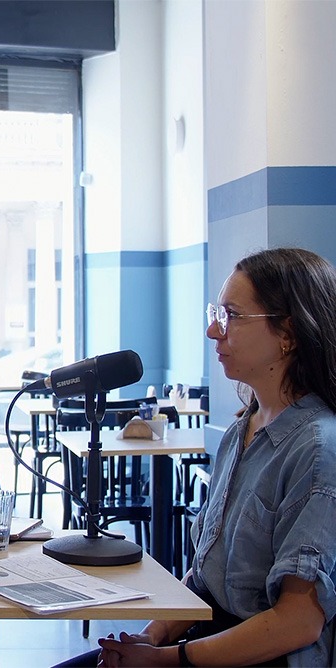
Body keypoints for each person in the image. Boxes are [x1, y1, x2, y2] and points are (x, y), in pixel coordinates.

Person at [79, 248, 336, 667]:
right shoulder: (242, 431)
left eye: (232, 316)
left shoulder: (318, 450)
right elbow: (206, 578)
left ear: (288, 333)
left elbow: (297, 622)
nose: (214, 332)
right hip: (206, 638)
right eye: (216, 314)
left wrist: (165, 660)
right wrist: (148, 638)